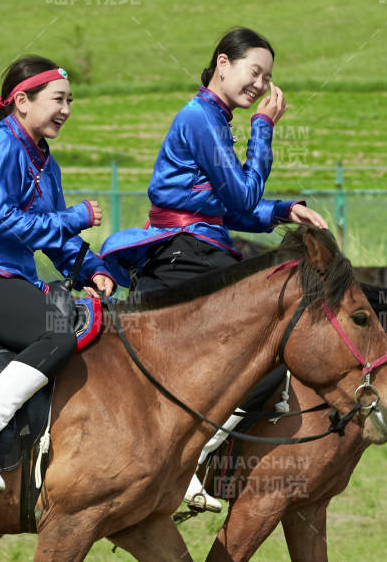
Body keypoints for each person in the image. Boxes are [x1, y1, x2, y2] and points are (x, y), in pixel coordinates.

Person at [103, 27, 328, 512]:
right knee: (265, 355)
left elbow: (228, 208)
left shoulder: (213, 118)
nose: (261, 85)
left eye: (267, 78)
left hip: (198, 248)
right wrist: (264, 127)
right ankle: (189, 462)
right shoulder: (203, 119)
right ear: (222, 64)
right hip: (188, 253)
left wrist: (285, 211)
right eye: (255, 72)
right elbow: (241, 196)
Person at [0, 56, 116, 492]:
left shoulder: (44, 159)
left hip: (8, 272)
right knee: (57, 334)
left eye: (70, 100)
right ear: (22, 101)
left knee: (81, 318)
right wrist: (74, 217)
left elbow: (55, 239)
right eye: (57, 99)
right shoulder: (2, 146)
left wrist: (93, 269)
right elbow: (4, 224)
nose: (66, 109)